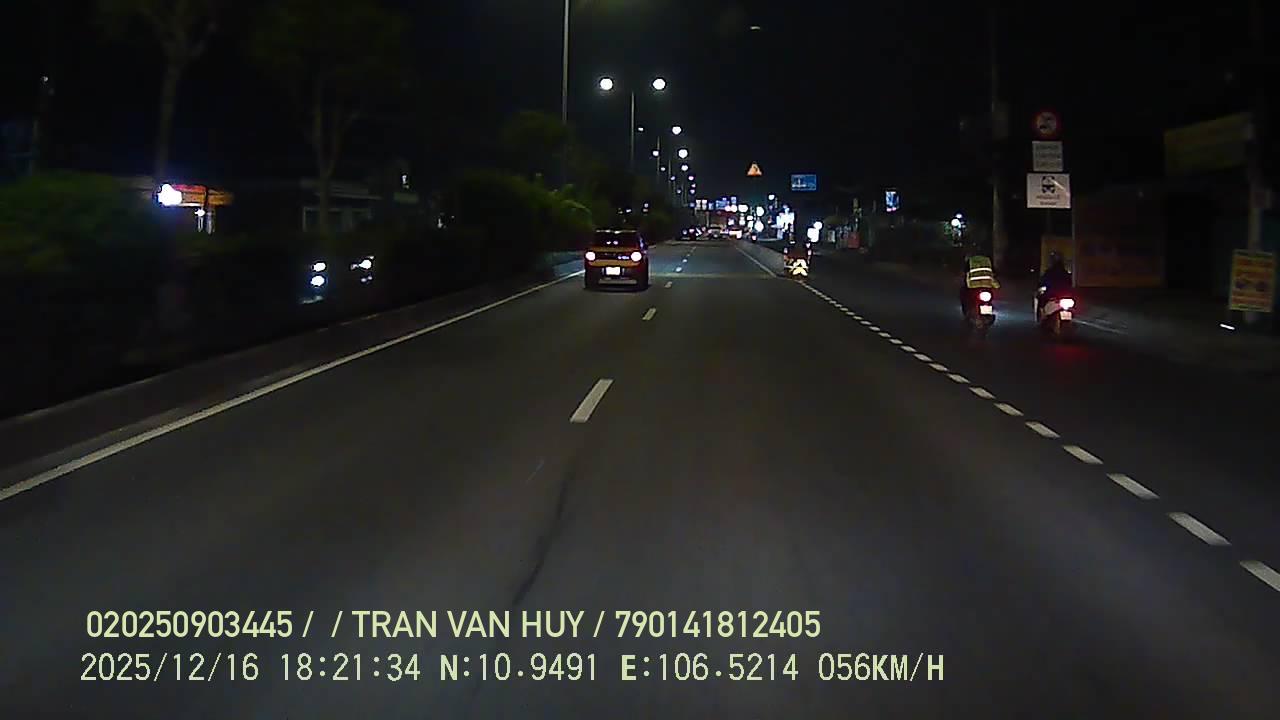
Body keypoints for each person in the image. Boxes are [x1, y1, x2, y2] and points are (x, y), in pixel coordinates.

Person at [1037, 251, 1073, 315]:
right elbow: (1070, 283)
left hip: (1053, 295)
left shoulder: (1049, 272)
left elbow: (1043, 282)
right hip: (1065, 296)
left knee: (1041, 299)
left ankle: (1042, 314)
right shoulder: (1065, 273)